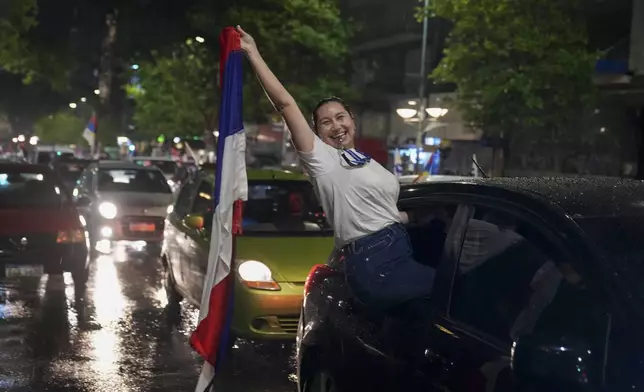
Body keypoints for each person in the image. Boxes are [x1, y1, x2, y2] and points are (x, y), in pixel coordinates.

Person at [237, 26, 436, 311]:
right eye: (326, 122)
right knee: (457, 290)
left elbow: (380, 214)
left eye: (340, 117)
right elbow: (285, 103)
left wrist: (420, 216)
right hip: (374, 262)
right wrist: (253, 52)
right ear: (315, 132)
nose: (336, 125)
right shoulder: (323, 160)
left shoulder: (366, 161)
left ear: (352, 121)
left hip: (396, 248)